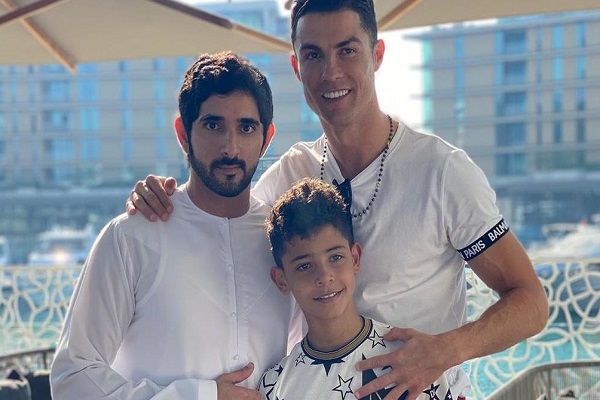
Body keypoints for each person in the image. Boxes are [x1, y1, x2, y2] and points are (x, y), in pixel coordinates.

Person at [126, 1, 549, 399]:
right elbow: (222, 221)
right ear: (296, 66)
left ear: (377, 54)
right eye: (313, 55)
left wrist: (443, 351)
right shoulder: (291, 174)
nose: (331, 72)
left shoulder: (442, 171)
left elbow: (530, 301)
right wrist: (164, 197)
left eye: (347, 50)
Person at [50, 52, 302, 399]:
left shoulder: (284, 242)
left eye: (246, 127)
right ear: (183, 133)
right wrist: (199, 395)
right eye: (213, 125)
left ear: (266, 138)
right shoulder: (132, 238)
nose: (230, 147)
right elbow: (72, 377)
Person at [258, 177, 453, 400]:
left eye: (335, 257)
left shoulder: (412, 360)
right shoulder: (274, 386)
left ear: (355, 259)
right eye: (304, 266)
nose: (325, 276)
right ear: (282, 280)